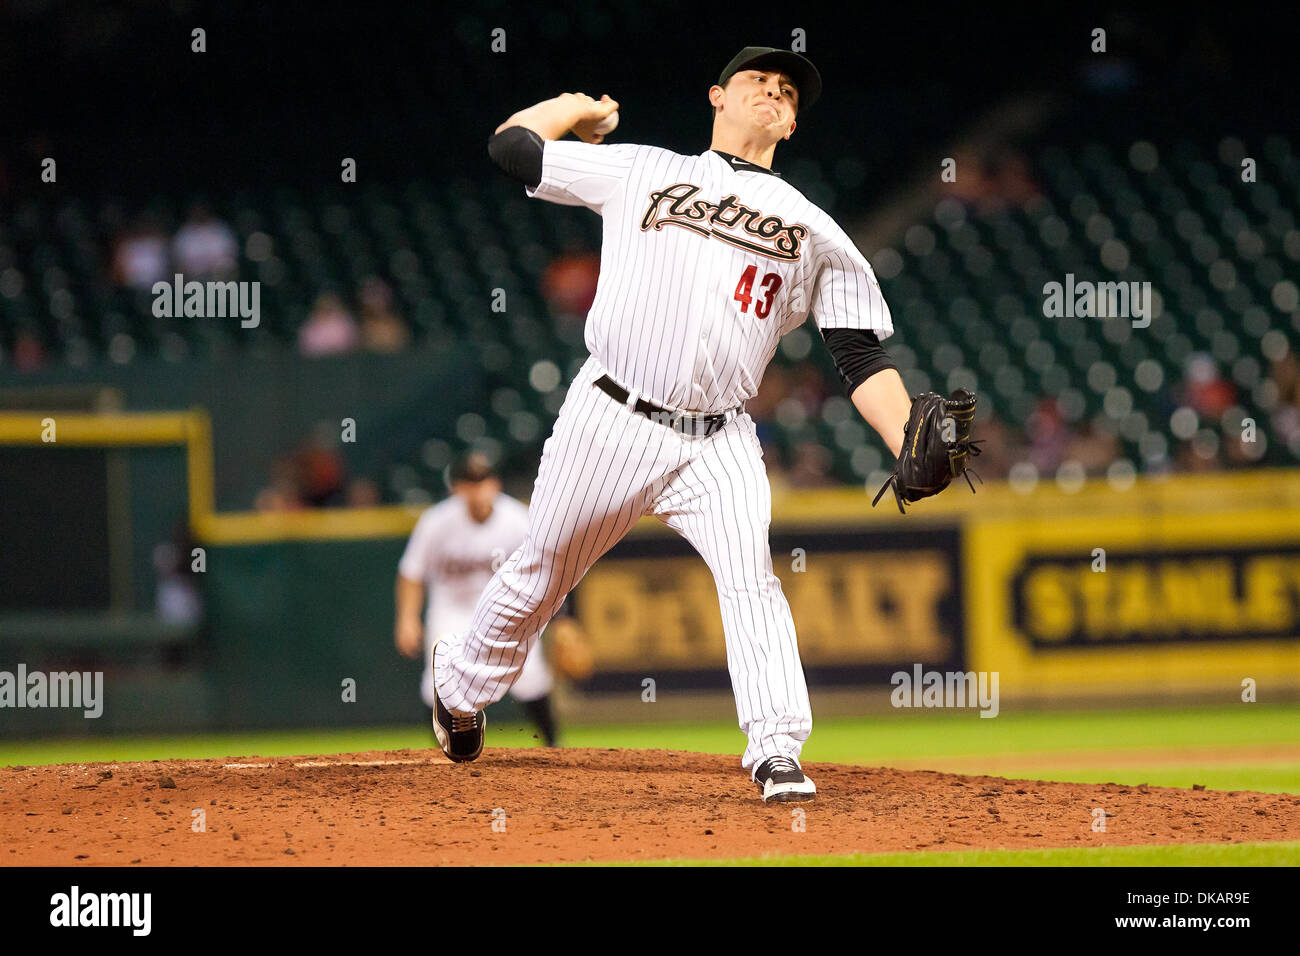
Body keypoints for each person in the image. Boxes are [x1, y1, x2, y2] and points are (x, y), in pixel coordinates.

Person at [433, 46, 914, 803]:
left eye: (787, 93)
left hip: (720, 438)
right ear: (717, 97)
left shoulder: (812, 227)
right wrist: (574, 105)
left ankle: (776, 749)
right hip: (611, 416)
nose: (774, 94)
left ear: (789, 124)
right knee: (540, 574)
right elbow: (512, 147)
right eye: (759, 80)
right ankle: (459, 686)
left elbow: (857, 349)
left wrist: (906, 438)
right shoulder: (644, 168)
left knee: (750, 577)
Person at [395, 453, 561, 747]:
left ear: (495, 483)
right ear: (457, 488)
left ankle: (553, 748)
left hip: (505, 611)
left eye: (483, 481)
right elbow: (411, 572)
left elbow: (546, 573)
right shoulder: (437, 521)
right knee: (439, 681)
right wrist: (407, 618)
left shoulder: (517, 520)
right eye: (470, 482)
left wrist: (560, 621)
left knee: (531, 676)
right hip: (452, 610)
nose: (478, 488)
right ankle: (448, 751)